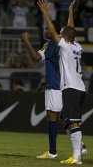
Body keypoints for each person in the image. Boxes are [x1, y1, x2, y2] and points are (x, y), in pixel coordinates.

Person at [37, 0, 86, 164]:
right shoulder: (77, 46)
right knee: (70, 121)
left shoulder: (64, 46)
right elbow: (70, 29)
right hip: (80, 87)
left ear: (64, 37)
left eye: (62, 33)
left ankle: (77, 156)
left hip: (71, 87)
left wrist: (45, 13)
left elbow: (52, 29)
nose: (61, 34)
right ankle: (78, 152)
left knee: (72, 123)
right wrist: (71, 13)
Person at [21, 17, 62, 158]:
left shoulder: (51, 44)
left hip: (54, 84)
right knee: (60, 116)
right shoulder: (61, 42)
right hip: (62, 84)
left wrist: (26, 40)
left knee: (52, 116)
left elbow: (36, 57)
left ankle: (52, 151)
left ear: (52, 31)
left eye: (46, 28)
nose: (44, 31)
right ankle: (76, 145)